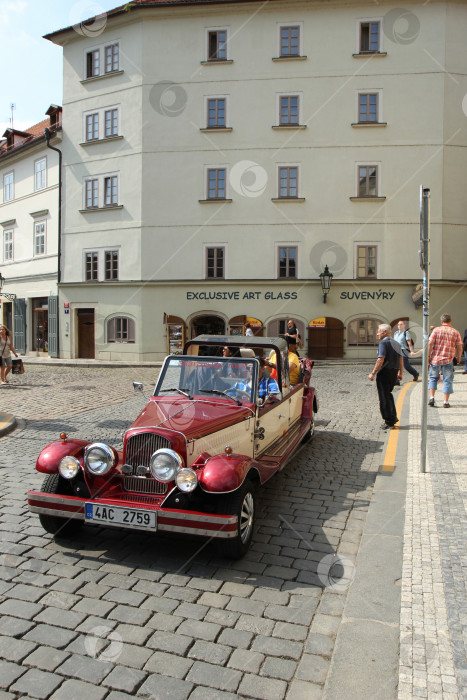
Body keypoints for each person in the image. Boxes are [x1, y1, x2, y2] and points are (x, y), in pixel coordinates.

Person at [368, 324, 403, 429]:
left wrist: (373, 373)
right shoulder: (396, 343)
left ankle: (389, 420)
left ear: (385, 332)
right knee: (388, 395)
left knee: (384, 397)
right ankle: (392, 417)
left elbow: (380, 359)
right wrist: (400, 372)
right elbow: (400, 359)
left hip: (385, 372)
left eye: (379, 331)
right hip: (393, 372)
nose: (377, 333)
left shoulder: (383, 343)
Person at [428, 314, 463, 408]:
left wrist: (428, 356)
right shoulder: (455, 332)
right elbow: (459, 347)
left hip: (435, 359)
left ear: (441, 321)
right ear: (450, 321)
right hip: (448, 360)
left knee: (433, 378)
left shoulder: (436, 330)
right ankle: (445, 402)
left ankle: (431, 397)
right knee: (447, 380)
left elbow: (430, 343)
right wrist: (459, 357)